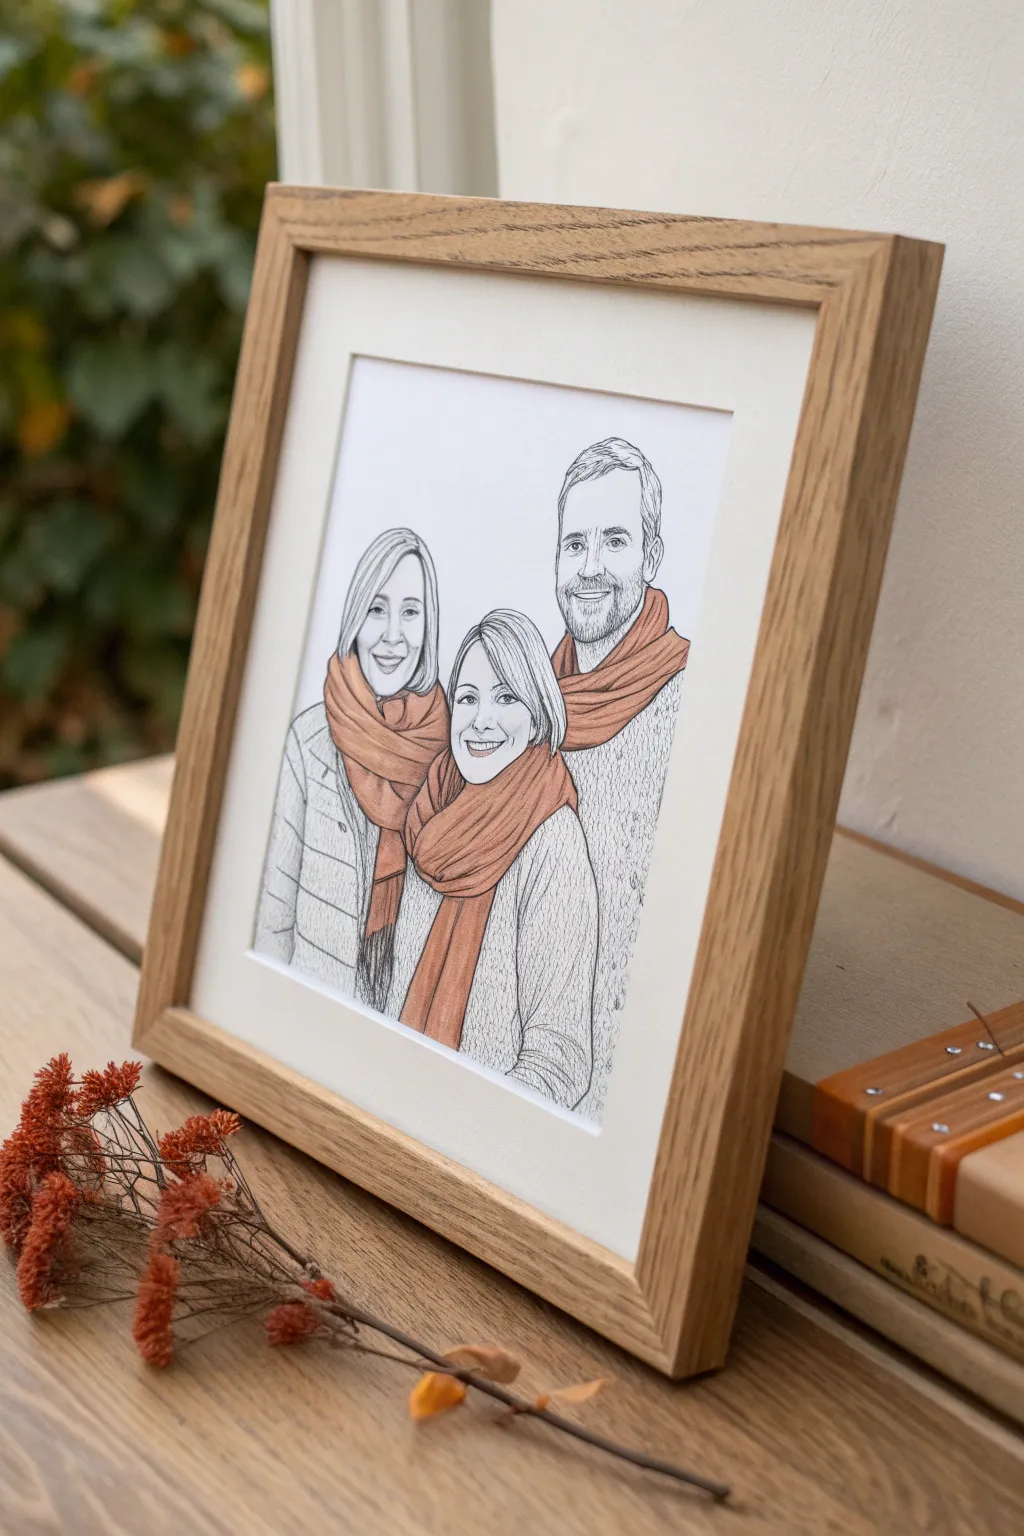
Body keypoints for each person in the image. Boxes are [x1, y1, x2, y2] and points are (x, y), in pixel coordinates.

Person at [387, 609, 597, 1111]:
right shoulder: (429, 820)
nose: (481, 719)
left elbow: (558, 1060)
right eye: (467, 698)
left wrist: (465, 1127)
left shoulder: (554, 844)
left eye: (506, 698)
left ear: (538, 715)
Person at [550, 438, 690, 1120]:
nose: (591, 567)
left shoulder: (693, 711)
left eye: (614, 540)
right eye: (574, 544)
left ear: (651, 555)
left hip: (623, 1112)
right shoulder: (524, 709)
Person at [255, 528, 449, 1007]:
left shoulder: (457, 748)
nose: (392, 636)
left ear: (430, 627)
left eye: (410, 612)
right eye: (377, 609)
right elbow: (273, 914)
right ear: (355, 618)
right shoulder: (310, 740)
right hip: (314, 1004)